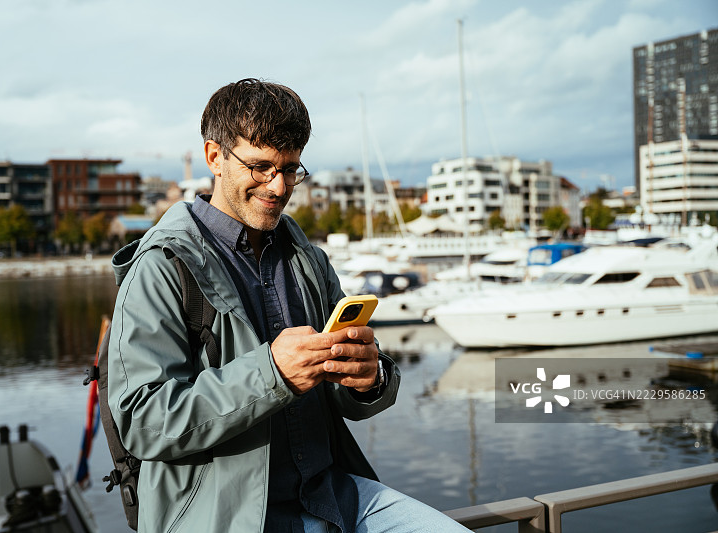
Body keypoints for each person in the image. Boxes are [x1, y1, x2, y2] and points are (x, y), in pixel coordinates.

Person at [108, 78, 471, 533]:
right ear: (214, 157)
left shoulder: (308, 258)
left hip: (336, 498)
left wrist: (369, 378)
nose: (278, 187)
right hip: (229, 518)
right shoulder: (160, 267)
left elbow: (349, 397)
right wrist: (271, 374)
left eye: (291, 169)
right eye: (260, 166)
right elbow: (143, 424)